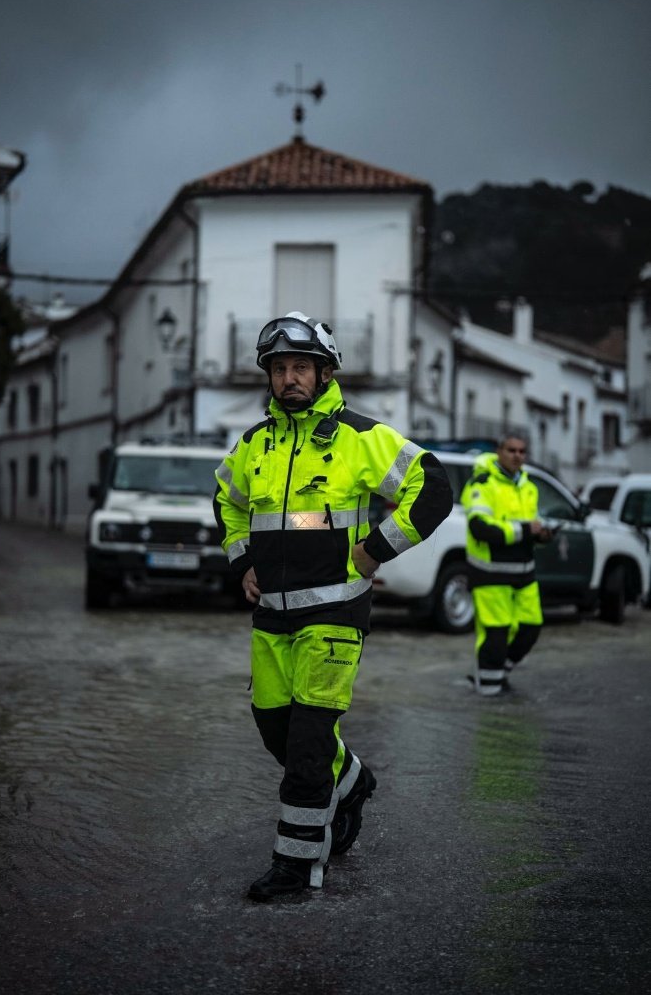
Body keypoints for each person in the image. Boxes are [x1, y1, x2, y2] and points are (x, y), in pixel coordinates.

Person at [213, 311, 453, 901]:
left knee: (308, 746)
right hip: (272, 614)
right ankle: (353, 782)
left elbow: (434, 487)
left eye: (301, 367)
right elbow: (227, 499)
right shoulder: (253, 445)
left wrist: (375, 549)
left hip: (336, 614)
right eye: (279, 369)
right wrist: (242, 561)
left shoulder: (359, 438)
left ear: (325, 373)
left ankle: (297, 869)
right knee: (276, 730)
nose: (289, 379)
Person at [461, 435, 555, 696]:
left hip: (524, 573)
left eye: (522, 451)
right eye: (511, 450)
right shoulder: (483, 484)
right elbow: (480, 528)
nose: (517, 455)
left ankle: (498, 675)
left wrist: (541, 535)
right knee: (496, 634)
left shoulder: (528, 487)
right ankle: (489, 696)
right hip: (490, 574)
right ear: (499, 452)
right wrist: (527, 530)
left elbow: (530, 526)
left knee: (531, 628)